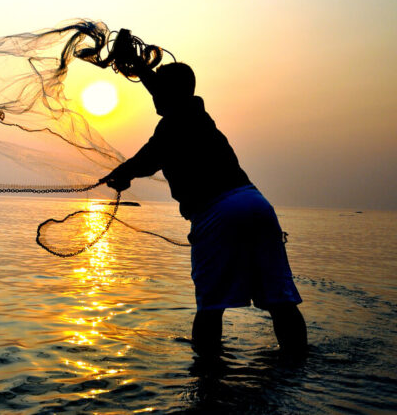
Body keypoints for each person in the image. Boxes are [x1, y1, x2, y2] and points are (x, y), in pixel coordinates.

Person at [100, 60, 307, 357]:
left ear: (168, 93)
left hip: (218, 212)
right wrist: (140, 68)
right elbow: (166, 92)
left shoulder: (173, 123)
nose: (154, 97)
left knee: (210, 309)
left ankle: (207, 383)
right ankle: (298, 370)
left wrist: (121, 174)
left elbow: (146, 160)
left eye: (158, 91)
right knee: (281, 302)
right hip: (257, 204)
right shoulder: (198, 115)